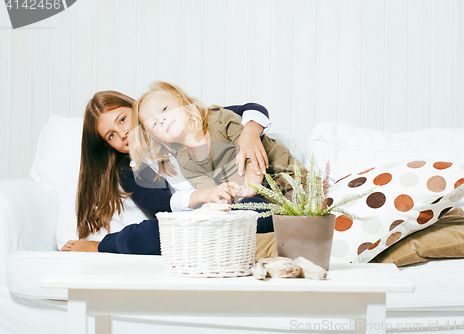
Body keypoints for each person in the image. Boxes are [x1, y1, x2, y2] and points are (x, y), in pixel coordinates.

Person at [62, 90, 271, 254]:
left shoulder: (172, 123)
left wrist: (249, 135)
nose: (123, 133)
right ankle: (101, 246)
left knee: (257, 211)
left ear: (135, 110)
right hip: (189, 219)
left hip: (235, 203)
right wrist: (206, 195)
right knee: (149, 233)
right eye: (111, 135)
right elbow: (159, 203)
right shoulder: (131, 169)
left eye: (123, 119)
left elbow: (251, 109)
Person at [129, 81, 307, 211]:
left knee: (306, 208)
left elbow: (252, 157)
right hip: (257, 199)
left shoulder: (220, 120)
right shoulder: (185, 160)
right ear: (158, 138)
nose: (161, 120)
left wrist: (251, 186)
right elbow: (209, 189)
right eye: (153, 123)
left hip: (286, 180)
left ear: (181, 101)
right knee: (243, 216)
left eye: (165, 109)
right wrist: (225, 193)